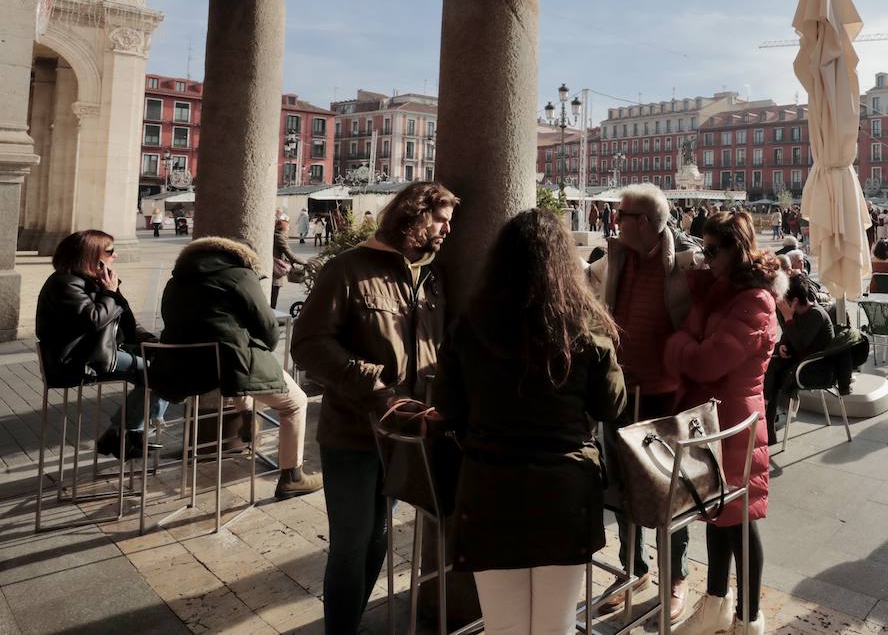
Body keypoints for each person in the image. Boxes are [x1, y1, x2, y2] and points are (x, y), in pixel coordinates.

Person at [438, 209, 626, 635]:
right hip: (564, 490)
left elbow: (448, 407)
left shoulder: (468, 327)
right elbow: (612, 406)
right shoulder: (585, 329)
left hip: (489, 488)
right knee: (555, 626)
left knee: (503, 628)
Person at [291, 181, 457, 635]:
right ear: (416, 216)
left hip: (408, 434)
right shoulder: (347, 269)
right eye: (441, 219)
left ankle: (352, 619)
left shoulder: (434, 276)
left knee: (380, 537)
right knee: (350, 541)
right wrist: (374, 385)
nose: (448, 229)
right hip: (353, 430)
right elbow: (307, 345)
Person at [586, 184, 700, 619]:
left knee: (672, 491)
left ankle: (677, 577)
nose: (615, 221)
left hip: (665, 395)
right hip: (620, 394)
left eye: (624, 216)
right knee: (623, 489)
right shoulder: (613, 258)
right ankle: (633, 570)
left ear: (648, 223)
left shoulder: (686, 264)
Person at [667, 212, 779, 635]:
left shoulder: (754, 301)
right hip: (714, 415)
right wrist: (698, 287)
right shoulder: (723, 292)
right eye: (704, 249)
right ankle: (716, 602)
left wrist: (679, 345)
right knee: (717, 513)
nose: (706, 258)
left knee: (741, 520)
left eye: (714, 250)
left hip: (736, 419)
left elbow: (708, 359)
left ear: (737, 248)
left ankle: (749, 619)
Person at [159, 236, 323, 499]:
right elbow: (269, 330)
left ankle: (246, 410)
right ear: (245, 255)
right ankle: (292, 475)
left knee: (235, 364)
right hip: (228, 366)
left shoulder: (175, 280)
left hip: (183, 369)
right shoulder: (239, 275)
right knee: (295, 401)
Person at [35, 230, 170, 458]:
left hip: (103, 352)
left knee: (168, 363)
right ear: (91, 255)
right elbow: (93, 319)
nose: (115, 255)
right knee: (160, 374)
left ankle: (121, 435)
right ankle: (126, 434)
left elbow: (127, 324)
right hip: (78, 361)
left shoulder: (95, 281)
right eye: (109, 251)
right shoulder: (64, 283)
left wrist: (150, 340)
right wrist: (110, 293)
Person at [764, 273, 837, 444]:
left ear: (795, 301)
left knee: (773, 378)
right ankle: (767, 418)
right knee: (771, 364)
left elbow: (802, 345)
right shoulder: (795, 314)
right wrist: (782, 346)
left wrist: (788, 318)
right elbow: (789, 339)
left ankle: (766, 407)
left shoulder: (816, 315)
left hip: (815, 368)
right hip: (800, 361)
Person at [271, 214, 304, 310]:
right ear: (284, 227)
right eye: (288, 226)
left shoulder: (276, 236)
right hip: (275, 270)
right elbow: (291, 255)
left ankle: (272, 314)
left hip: (274, 267)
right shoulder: (280, 237)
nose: (289, 228)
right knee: (273, 293)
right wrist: (305, 262)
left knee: (273, 293)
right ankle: (272, 315)